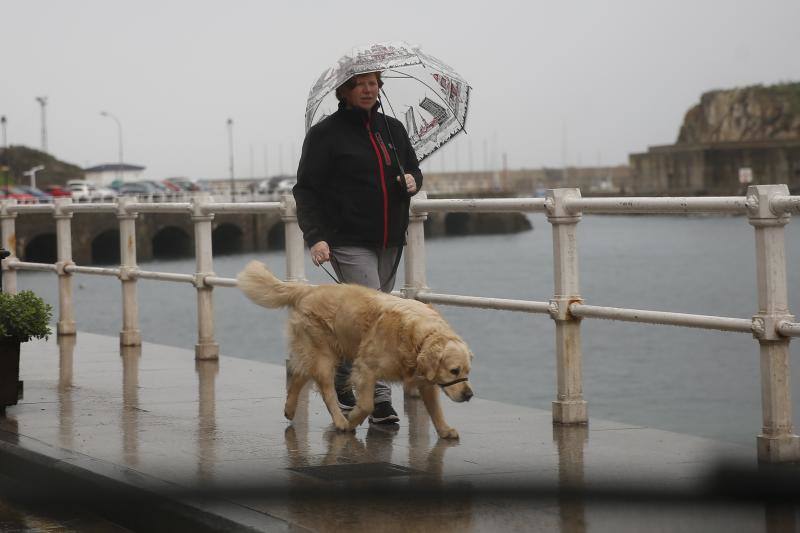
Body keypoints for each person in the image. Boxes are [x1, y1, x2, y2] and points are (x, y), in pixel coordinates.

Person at [293, 71, 423, 425]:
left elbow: (412, 169)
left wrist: (413, 180)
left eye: (374, 83)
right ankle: (379, 399)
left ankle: (341, 376)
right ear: (344, 91)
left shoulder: (393, 129)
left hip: (390, 239)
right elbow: (305, 190)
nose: (368, 89)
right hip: (347, 239)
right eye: (360, 83)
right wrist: (316, 236)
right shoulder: (325, 135)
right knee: (377, 320)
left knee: (363, 319)